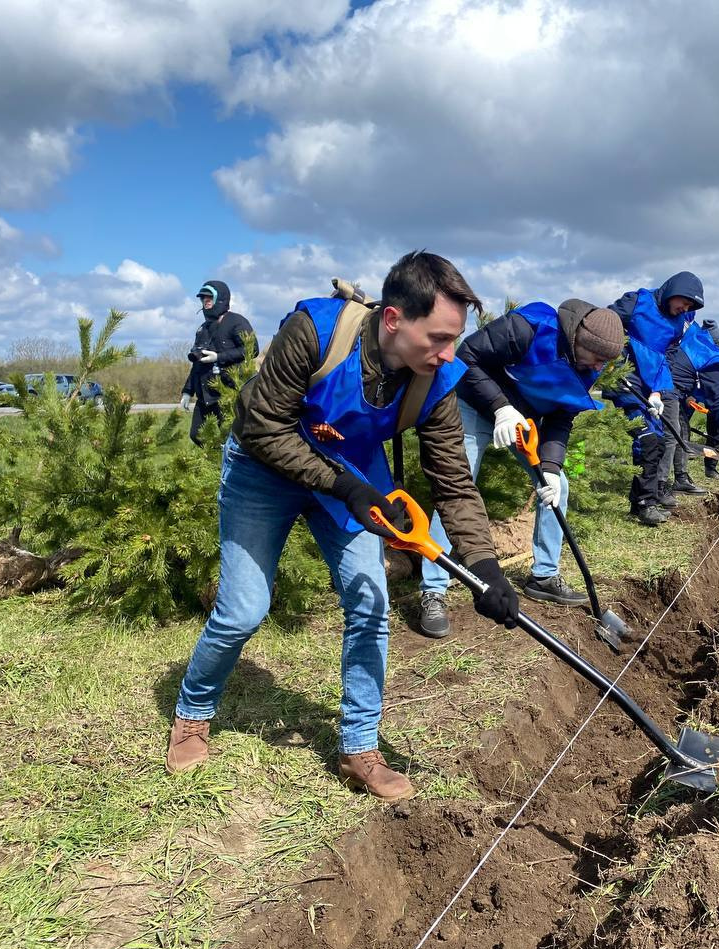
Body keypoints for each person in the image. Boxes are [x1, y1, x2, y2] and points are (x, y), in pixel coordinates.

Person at [165, 254, 520, 803]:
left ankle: (359, 747)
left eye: (455, 339)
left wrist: (484, 567)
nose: (450, 353)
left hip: (352, 471)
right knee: (242, 610)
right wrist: (347, 489)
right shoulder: (317, 331)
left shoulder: (436, 379)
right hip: (264, 468)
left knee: (370, 603)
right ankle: (192, 711)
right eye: (440, 337)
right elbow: (262, 427)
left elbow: (453, 481)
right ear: (395, 319)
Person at [414, 299, 625, 638]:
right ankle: (433, 590)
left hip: (520, 419)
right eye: (597, 357)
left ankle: (543, 576)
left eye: (605, 361)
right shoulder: (529, 329)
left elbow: (562, 414)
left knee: (559, 487)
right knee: (456, 487)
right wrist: (500, 407)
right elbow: (467, 356)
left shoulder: (589, 366)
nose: (599, 366)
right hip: (470, 404)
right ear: (578, 340)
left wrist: (552, 467)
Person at [606, 272, 705, 523]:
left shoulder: (676, 323)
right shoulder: (638, 302)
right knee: (647, 438)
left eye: (690, 307)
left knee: (659, 440)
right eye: (684, 302)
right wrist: (614, 362)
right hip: (625, 378)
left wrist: (658, 391)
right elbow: (604, 323)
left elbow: (666, 356)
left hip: (649, 384)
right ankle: (646, 504)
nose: (685, 308)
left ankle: (638, 500)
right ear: (673, 291)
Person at [181, 280, 254, 445]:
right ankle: (215, 463)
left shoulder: (237, 322)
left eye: (209, 297)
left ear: (220, 299)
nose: (205, 301)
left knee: (230, 438)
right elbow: (196, 365)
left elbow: (251, 349)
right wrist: (187, 392)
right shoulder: (202, 329)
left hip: (228, 393)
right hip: (205, 395)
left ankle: (225, 466)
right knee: (196, 435)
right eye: (203, 298)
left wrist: (218, 357)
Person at [671, 318, 719, 482]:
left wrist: (689, 394)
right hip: (671, 393)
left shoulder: (692, 340)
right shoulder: (710, 355)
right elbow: (717, 400)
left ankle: (681, 477)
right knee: (678, 434)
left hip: (679, 392)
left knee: (680, 433)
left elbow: (690, 371)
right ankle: (677, 480)